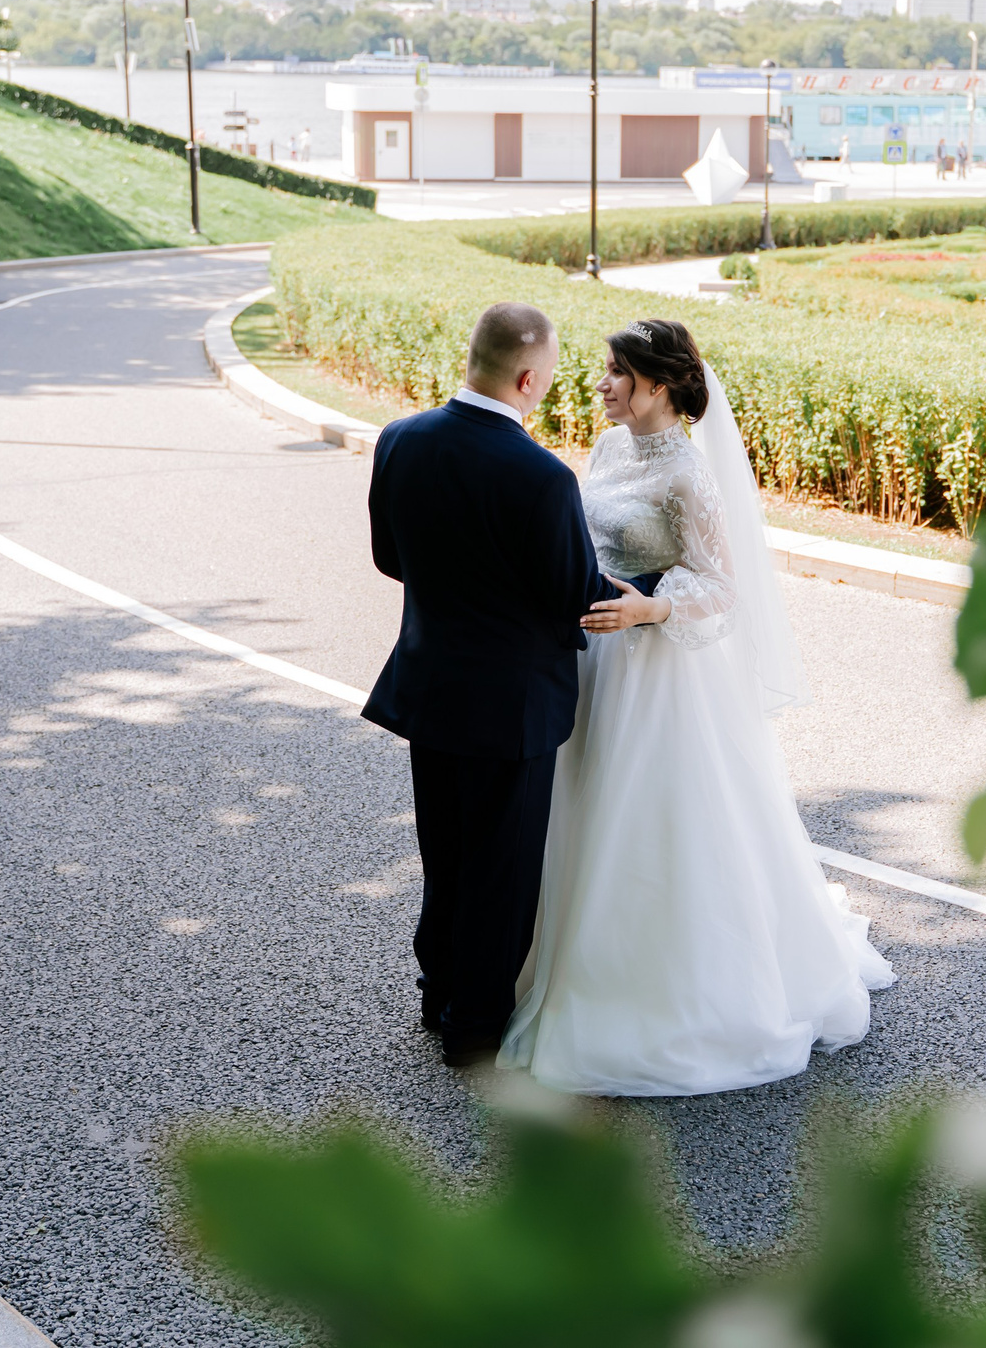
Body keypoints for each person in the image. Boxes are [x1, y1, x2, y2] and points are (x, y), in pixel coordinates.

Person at [500, 318, 893, 1096]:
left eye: (616, 372)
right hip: (594, 657)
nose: (601, 384)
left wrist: (650, 611)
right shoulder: (610, 447)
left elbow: (721, 588)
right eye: (604, 370)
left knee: (651, 820)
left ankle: (671, 993)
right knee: (581, 810)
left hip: (657, 671)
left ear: (660, 385)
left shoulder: (689, 475)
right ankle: (575, 961)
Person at [362, 303, 612, 1068]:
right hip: (514, 704)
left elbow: (388, 557)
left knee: (445, 851)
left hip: (432, 688)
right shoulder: (541, 477)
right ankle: (473, 1027)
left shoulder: (399, 440)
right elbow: (578, 594)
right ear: (528, 378)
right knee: (502, 869)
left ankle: (437, 991)